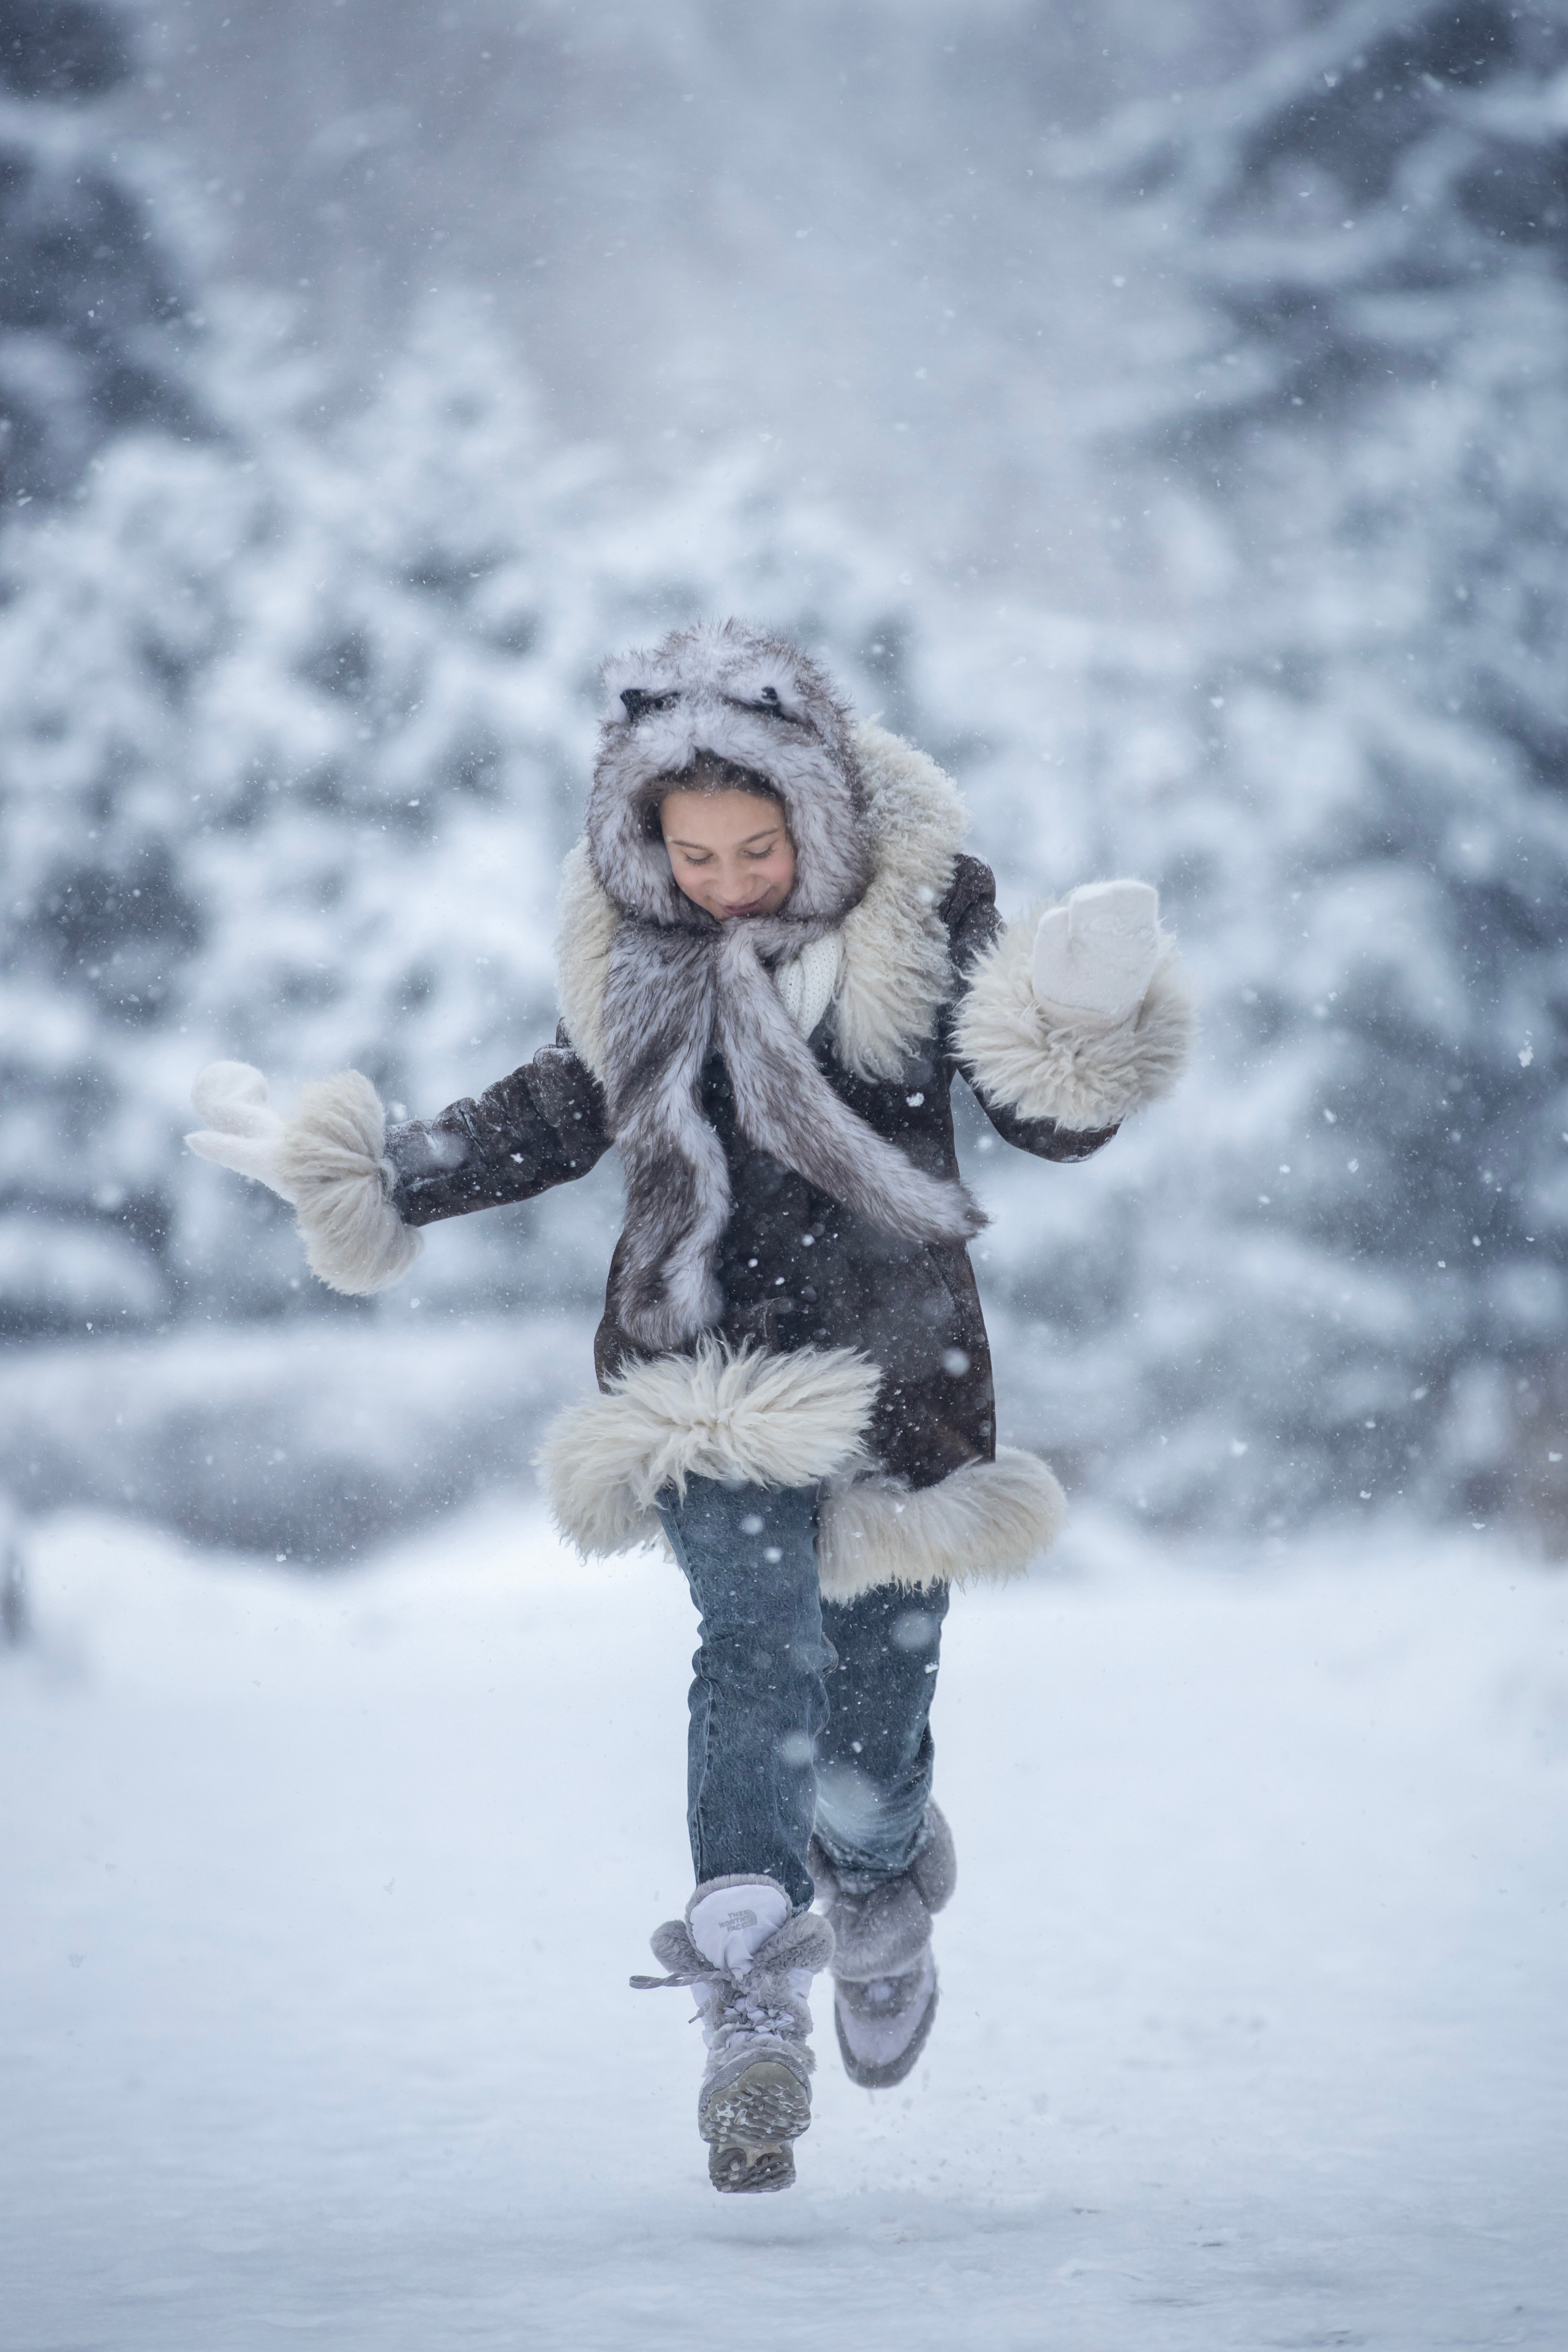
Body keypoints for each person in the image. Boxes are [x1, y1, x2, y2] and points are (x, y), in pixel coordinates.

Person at [187, 618, 1193, 2195]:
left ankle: (871, 1885)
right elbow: (556, 1109)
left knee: (873, 1721)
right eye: (695, 853)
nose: (728, 880)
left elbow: (1037, 1114)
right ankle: (744, 1990)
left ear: (820, 812)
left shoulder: (922, 926)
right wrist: (376, 1169)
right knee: (756, 1639)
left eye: (757, 845)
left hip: (900, 1380)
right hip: (696, 1371)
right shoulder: (642, 967)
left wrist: (1083, 1002)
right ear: (643, 843)